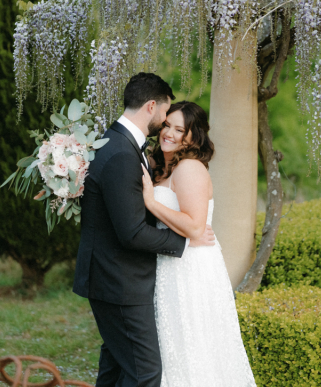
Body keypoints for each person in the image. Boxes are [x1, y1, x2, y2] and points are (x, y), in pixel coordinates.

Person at [73, 73, 216, 387]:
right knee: (144, 373)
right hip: (120, 281)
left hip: (124, 278)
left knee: (117, 367)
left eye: (179, 128)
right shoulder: (124, 153)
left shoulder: (122, 144)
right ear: (152, 106)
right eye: (166, 116)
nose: (165, 124)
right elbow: (132, 232)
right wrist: (184, 242)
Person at [141, 101, 257, 387]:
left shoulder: (190, 168)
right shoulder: (160, 166)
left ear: (193, 137)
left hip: (191, 268)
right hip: (170, 262)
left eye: (180, 130)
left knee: (193, 345)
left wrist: (149, 201)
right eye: (167, 125)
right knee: (172, 346)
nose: (169, 133)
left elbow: (194, 227)